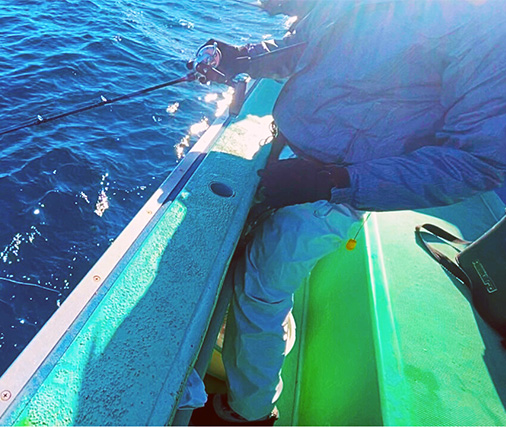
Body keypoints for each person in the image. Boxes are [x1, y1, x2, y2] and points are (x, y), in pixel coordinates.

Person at [189, 0, 506, 425]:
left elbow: (479, 163)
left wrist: (332, 181)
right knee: (255, 277)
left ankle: (250, 414)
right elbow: (308, 47)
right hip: (285, 155)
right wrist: (244, 57)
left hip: (335, 192)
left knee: (261, 288)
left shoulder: (487, 24)